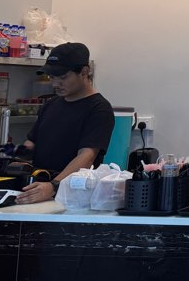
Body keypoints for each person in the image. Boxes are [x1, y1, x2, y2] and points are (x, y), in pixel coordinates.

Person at [16, 42, 115, 205]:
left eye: (62, 77)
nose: (55, 84)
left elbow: (86, 156)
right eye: (52, 77)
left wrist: (54, 186)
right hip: (39, 189)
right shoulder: (51, 104)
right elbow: (32, 143)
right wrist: (10, 156)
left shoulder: (99, 109)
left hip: (73, 197)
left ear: (84, 72)